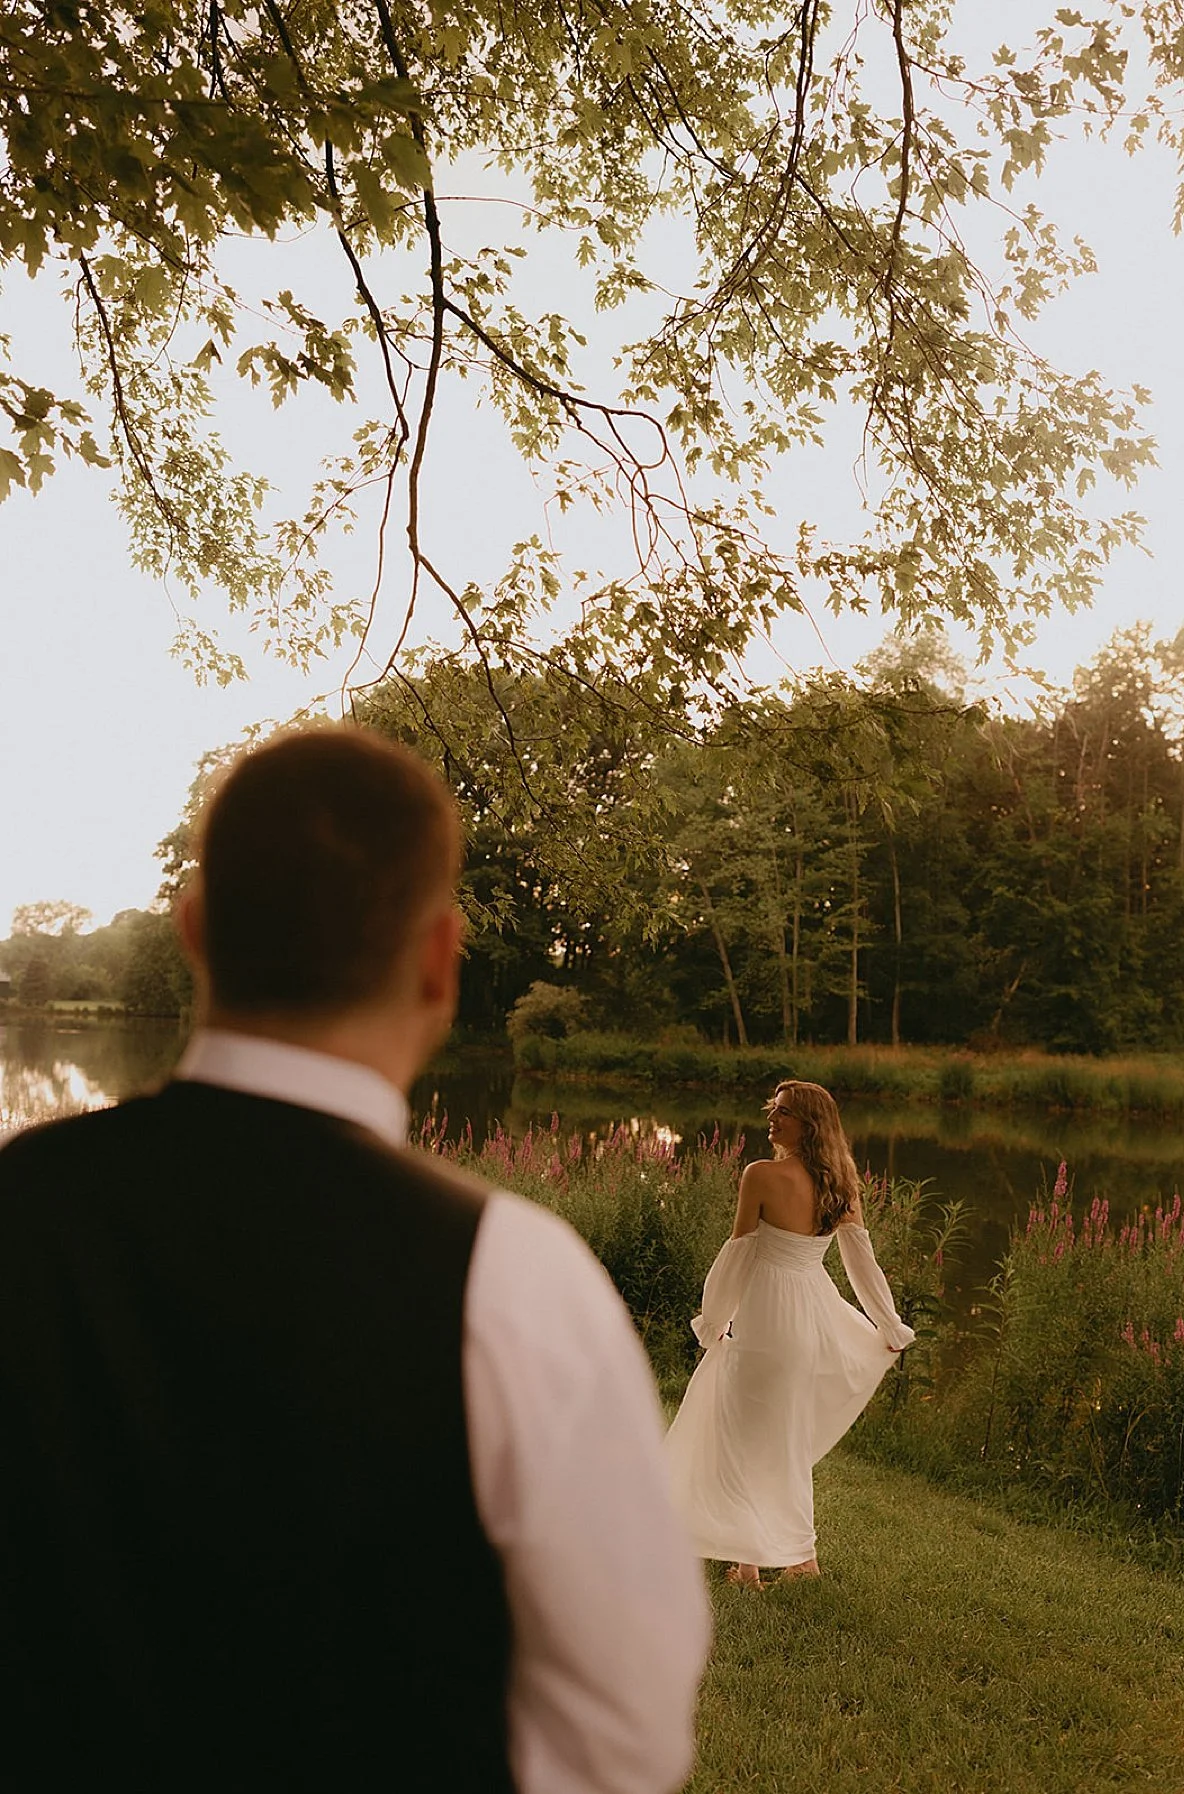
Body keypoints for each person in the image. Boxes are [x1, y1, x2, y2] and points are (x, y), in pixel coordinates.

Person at [0, 725, 712, 1791]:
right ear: (438, 960)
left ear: (196, 932)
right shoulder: (514, 1278)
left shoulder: (20, 1201)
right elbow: (625, 1735)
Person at [664, 1078, 916, 1584]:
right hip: (810, 1318)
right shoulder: (840, 1184)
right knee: (783, 1436)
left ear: (809, 1123)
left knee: (741, 1433)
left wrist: (713, 1320)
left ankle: (752, 1564)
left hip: (766, 1316)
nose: (772, 1119)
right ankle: (798, 1560)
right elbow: (860, 1261)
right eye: (773, 1110)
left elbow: (737, 1255)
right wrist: (888, 1324)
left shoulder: (760, 1175)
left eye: (783, 1113)